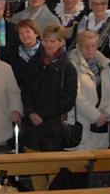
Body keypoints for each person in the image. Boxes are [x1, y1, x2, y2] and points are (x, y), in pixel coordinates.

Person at [20, 24, 78, 152]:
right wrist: (31, 112)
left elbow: (68, 99)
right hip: (31, 125)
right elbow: (25, 90)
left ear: (61, 42)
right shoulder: (33, 63)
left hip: (54, 126)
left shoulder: (68, 68)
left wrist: (42, 114)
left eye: (53, 41)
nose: (49, 44)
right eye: (46, 40)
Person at [67, 29, 110, 152]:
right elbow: (76, 95)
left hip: (103, 123)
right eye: (86, 46)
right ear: (78, 47)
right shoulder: (71, 65)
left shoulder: (105, 65)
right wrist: (95, 116)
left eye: (93, 45)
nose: (90, 49)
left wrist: (108, 113)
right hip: (82, 121)